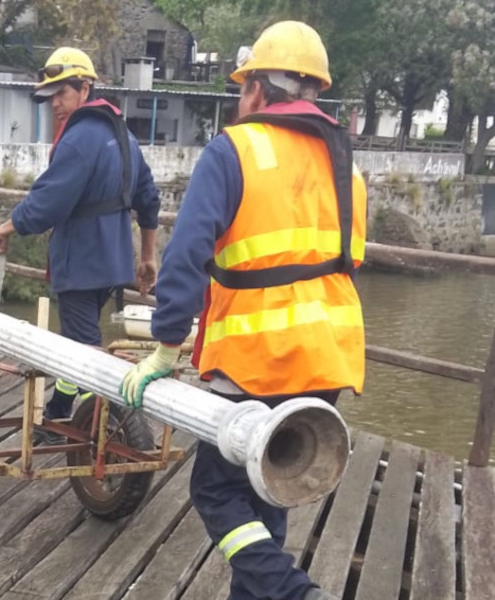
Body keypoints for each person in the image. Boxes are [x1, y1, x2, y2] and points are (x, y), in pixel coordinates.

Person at [119, 21, 366, 600]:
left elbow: (185, 257)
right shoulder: (346, 165)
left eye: (241, 88)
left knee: (217, 490)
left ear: (256, 88)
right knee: (269, 483)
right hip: (326, 356)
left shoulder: (234, 150)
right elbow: (345, 259)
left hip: (257, 359)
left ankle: (292, 593)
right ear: (313, 92)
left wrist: (164, 347)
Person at [0, 47, 161, 443]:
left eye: (61, 94)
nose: (56, 106)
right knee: (75, 340)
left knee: (85, 352)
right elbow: (149, 199)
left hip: (81, 263)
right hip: (110, 263)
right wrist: (147, 256)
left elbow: (47, 202)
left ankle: (100, 436)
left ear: (85, 88)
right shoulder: (124, 136)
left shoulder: (79, 139)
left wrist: (5, 228)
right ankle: (58, 414)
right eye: (50, 98)